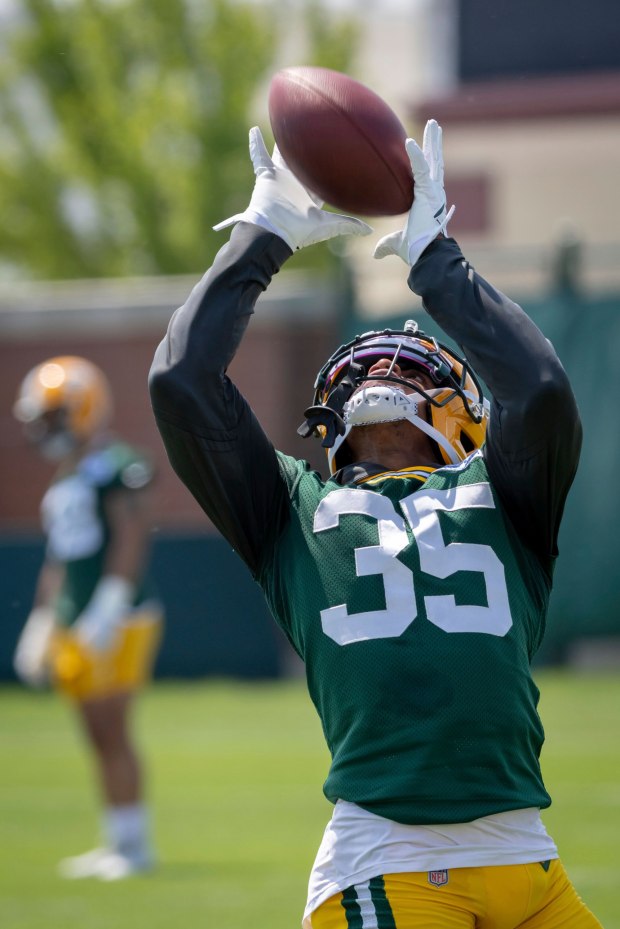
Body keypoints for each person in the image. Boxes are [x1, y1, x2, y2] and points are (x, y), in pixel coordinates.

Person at [149, 121, 602, 927]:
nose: (382, 374)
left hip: (529, 863)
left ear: (468, 425)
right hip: (391, 865)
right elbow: (183, 381)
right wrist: (264, 235)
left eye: (410, 370)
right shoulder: (290, 510)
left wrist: (436, 259)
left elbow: (538, 389)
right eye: (361, 372)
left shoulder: (507, 492)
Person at [13, 355, 163, 881]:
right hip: (77, 616)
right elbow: (60, 556)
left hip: (117, 616)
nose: (44, 428)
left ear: (82, 409)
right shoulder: (70, 472)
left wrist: (110, 602)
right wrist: (43, 619)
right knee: (96, 734)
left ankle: (134, 847)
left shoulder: (113, 463)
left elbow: (131, 534)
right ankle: (117, 841)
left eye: (52, 416)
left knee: (111, 730)